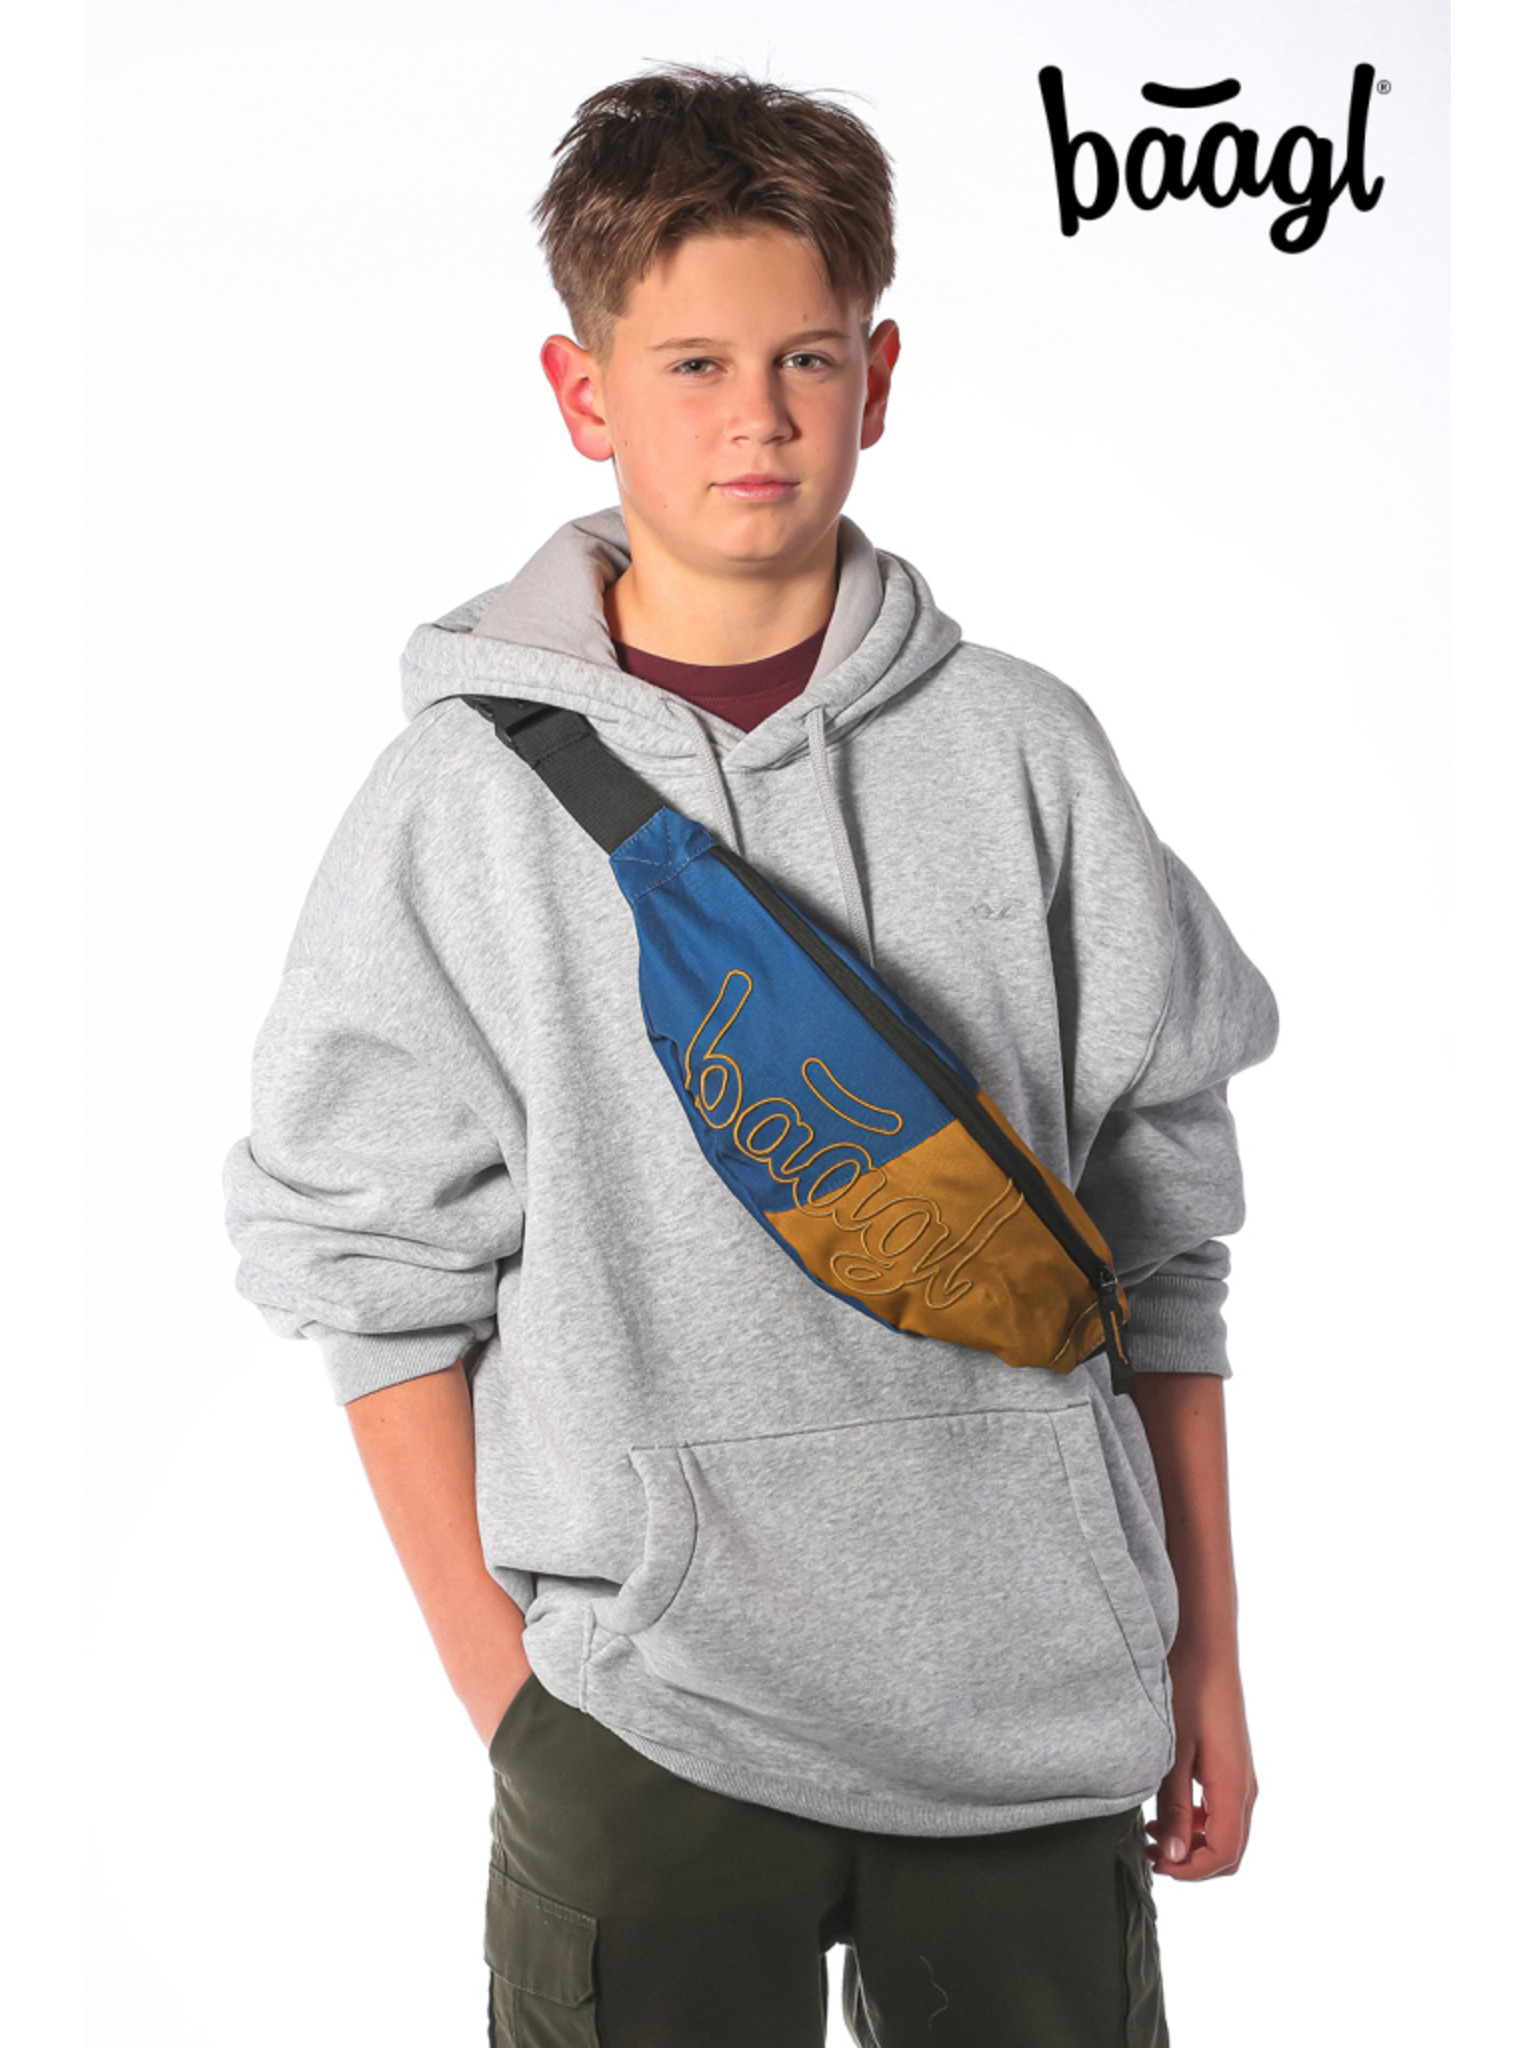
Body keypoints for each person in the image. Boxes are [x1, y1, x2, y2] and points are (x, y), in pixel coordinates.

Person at [224, 62, 1280, 2048]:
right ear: (583, 391)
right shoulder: (464, 804)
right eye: (694, 363)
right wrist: (516, 1703)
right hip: (649, 1728)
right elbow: (366, 1267)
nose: (760, 417)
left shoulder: (1029, 753)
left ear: (880, 375)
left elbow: (1160, 1241)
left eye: (806, 358)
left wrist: (1203, 1654)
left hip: (1037, 1705)